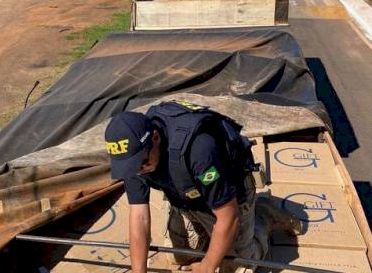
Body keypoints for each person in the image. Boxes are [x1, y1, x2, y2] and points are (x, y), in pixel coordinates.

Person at [104, 101, 301, 273]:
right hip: (186, 197)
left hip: (229, 197)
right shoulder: (134, 156)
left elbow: (228, 216)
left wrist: (208, 265)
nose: (139, 171)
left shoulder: (198, 150)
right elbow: (139, 216)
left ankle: (263, 215)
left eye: (142, 163)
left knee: (236, 268)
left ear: (155, 138)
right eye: (132, 167)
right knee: (179, 257)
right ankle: (203, 229)